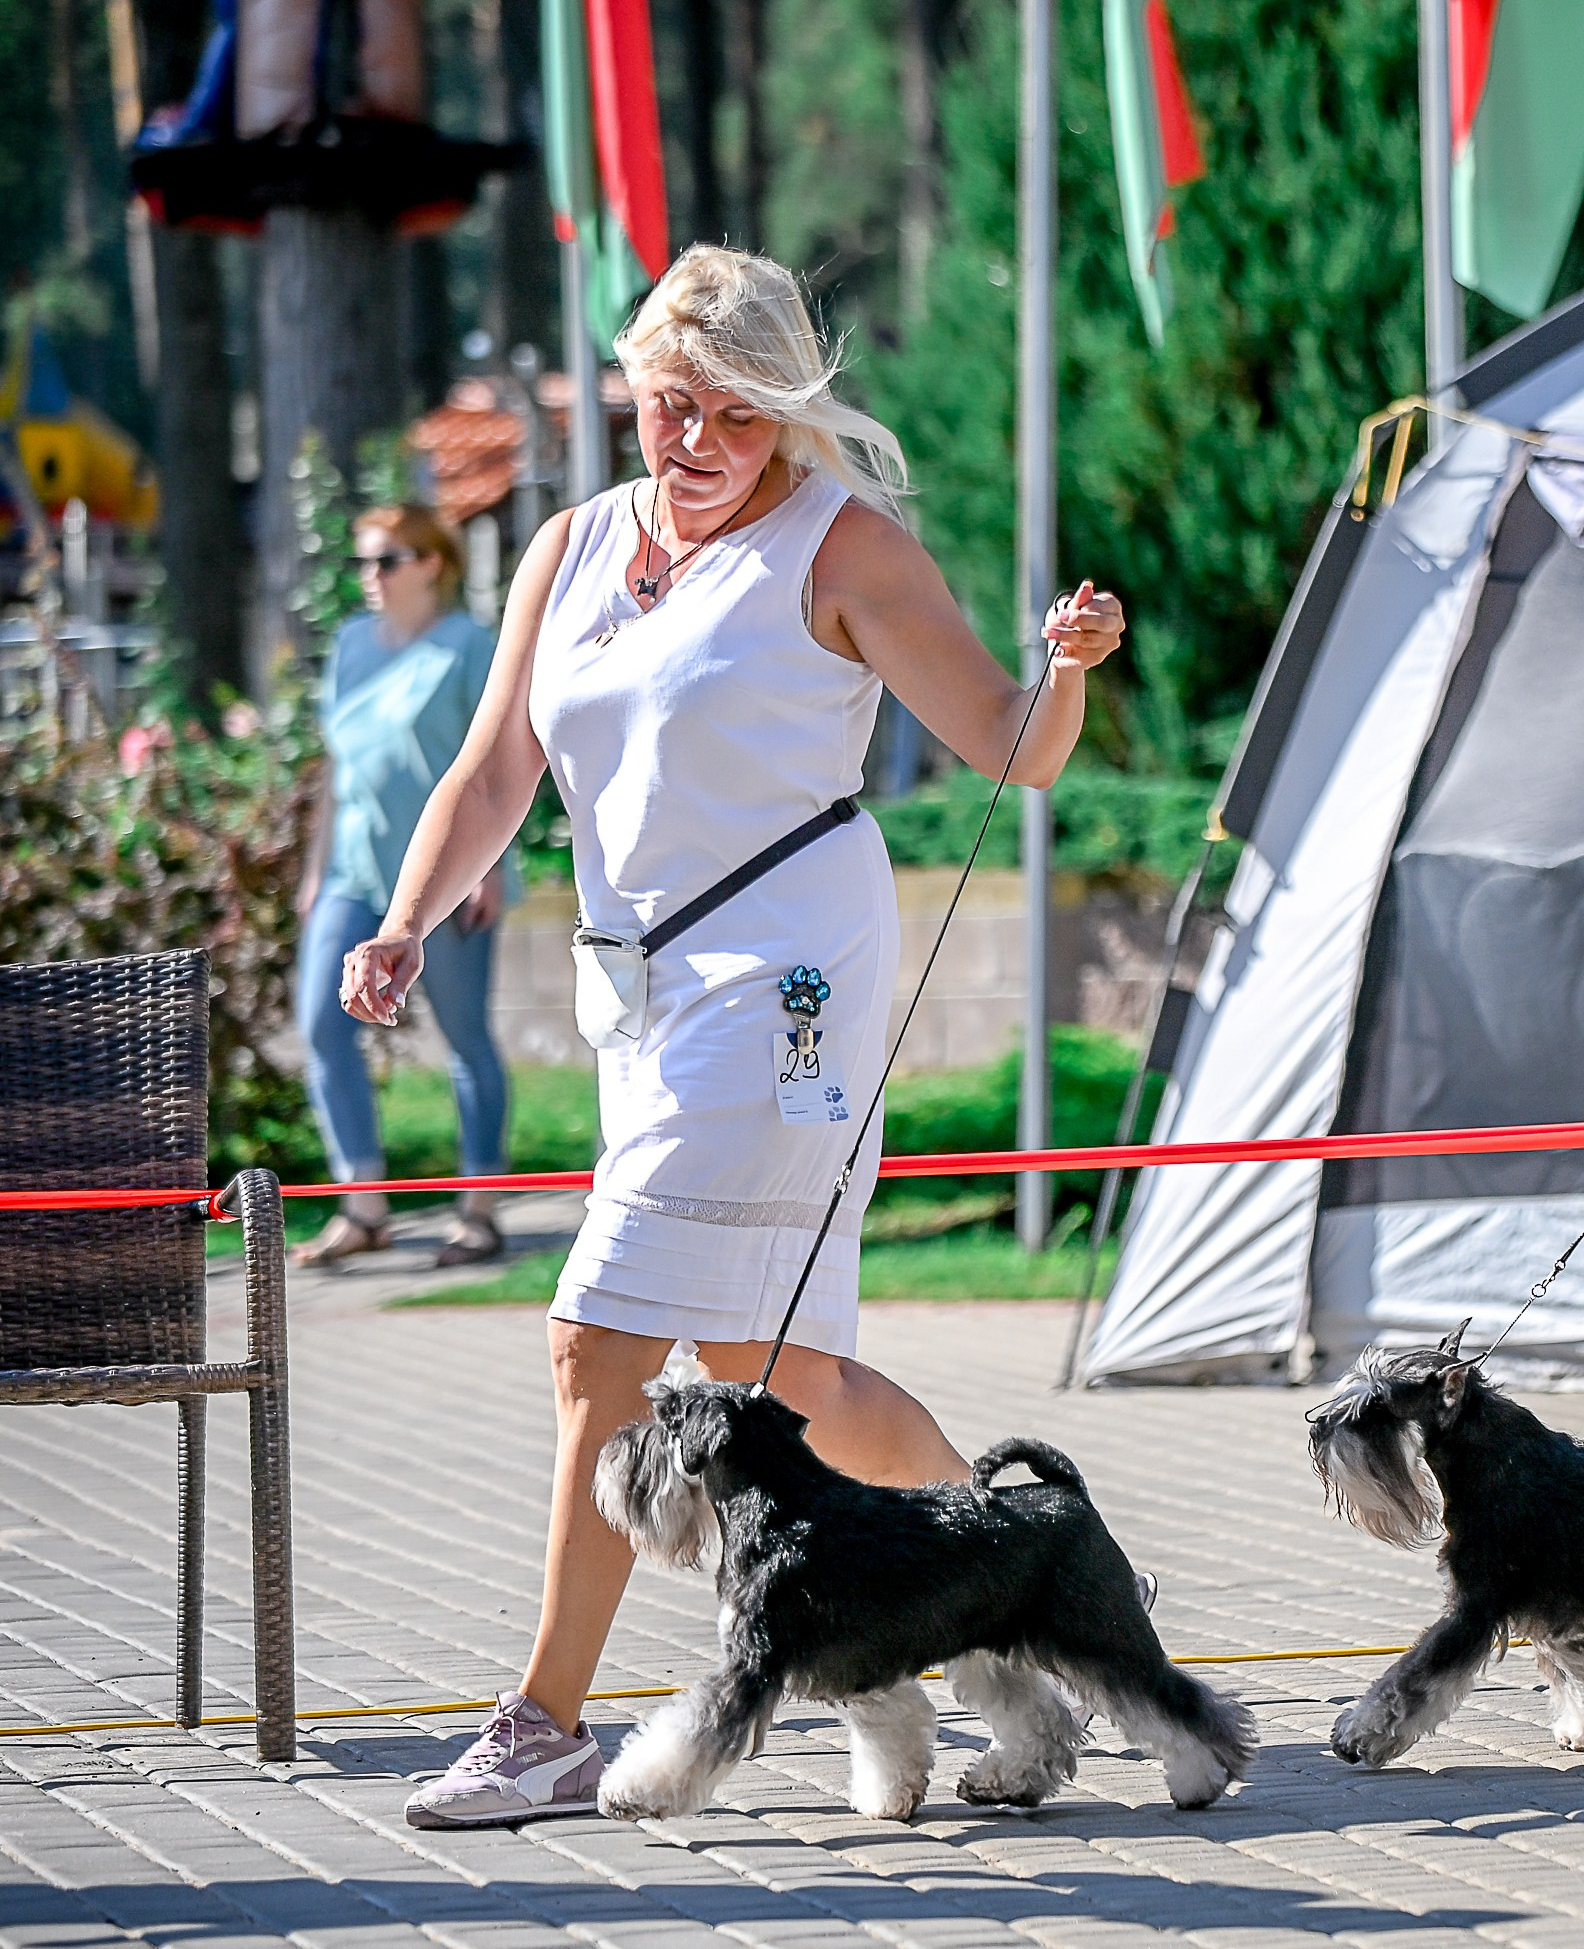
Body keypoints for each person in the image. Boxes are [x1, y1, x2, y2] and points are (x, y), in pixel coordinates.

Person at [338, 245, 1127, 1826]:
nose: (696, 440)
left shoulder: (845, 548)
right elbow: (498, 768)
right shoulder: (566, 546)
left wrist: (1070, 672)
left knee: (598, 1339)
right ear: (632, 392)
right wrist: (410, 917)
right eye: (669, 406)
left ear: (786, 415)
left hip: (788, 986)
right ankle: (1025, 1604)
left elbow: (1009, 749)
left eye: (738, 416)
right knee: (797, 1375)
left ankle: (544, 1721)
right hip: (642, 993)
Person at [295, 502, 510, 1269]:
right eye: (362, 563)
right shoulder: (352, 643)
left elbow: (499, 765)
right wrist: (317, 873)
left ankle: (479, 1210)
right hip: (353, 870)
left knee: (465, 1039)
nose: (370, 578)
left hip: (449, 878)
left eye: (385, 560)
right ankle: (363, 1207)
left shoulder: (470, 646)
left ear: (431, 564)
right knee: (321, 1025)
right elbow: (336, 768)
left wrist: (485, 866)